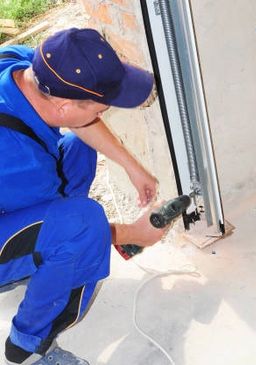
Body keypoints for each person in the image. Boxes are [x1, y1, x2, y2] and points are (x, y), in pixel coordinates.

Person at [0, 28, 168, 365]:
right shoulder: (18, 160)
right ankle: (28, 348)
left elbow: (78, 123)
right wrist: (133, 234)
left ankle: (49, 261)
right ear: (63, 106)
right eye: (100, 110)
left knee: (79, 147)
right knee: (83, 226)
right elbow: (78, 224)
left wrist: (131, 166)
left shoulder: (21, 63)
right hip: (12, 184)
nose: (101, 116)